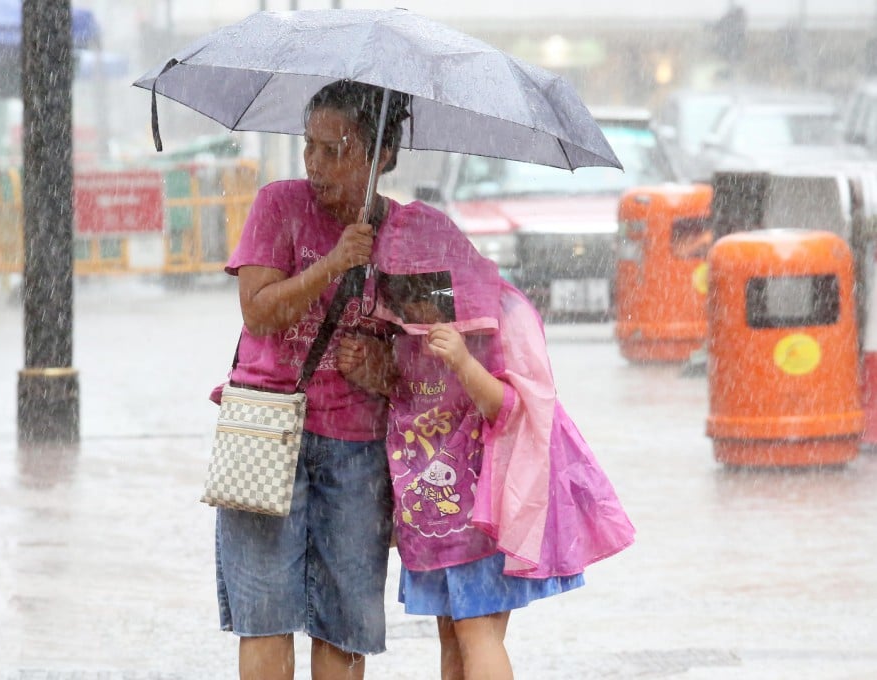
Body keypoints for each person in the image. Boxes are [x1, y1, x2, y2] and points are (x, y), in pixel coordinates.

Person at [338, 215, 635, 680]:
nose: (416, 309)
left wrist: (461, 360)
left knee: (477, 630)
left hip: (482, 513)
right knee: (452, 633)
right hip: (432, 514)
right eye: (403, 294)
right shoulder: (405, 329)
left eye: (426, 292)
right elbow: (406, 395)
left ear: (449, 280)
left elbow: (514, 409)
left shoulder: (498, 318)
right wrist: (367, 370)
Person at [212, 80, 410, 680]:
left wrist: (382, 370)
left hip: (357, 450)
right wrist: (332, 265)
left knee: (345, 623)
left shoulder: (406, 232)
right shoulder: (279, 204)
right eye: (309, 147)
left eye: (336, 149)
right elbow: (258, 310)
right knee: (264, 614)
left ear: (382, 156)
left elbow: (434, 359)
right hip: (267, 432)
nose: (315, 165)